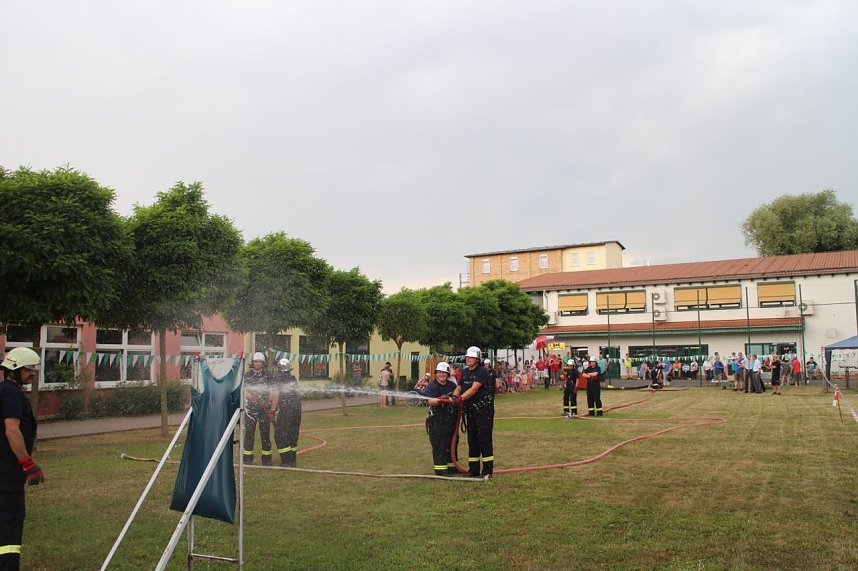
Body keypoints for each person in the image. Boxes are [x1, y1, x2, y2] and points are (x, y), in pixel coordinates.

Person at [1, 347, 45, 571]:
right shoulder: (12, 394)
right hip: (7, 476)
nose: (33, 374)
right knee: (9, 526)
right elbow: (12, 431)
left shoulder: (4, 391)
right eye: (29, 369)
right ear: (15, 370)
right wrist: (28, 464)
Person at [454, 346, 494, 478]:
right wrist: (454, 397)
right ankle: (473, 470)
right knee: (472, 440)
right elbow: (459, 387)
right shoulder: (465, 372)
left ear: (477, 359)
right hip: (471, 410)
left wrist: (460, 399)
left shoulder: (482, 371)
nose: (468, 359)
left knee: (484, 440)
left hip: (484, 411)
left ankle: (487, 471)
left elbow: (474, 388)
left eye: (471, 357)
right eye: (467, 357)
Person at [418, 362, 460, 476]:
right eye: (439, 372)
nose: (442, 375)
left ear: (448, 374)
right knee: (439, 444)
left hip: (450, 419)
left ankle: (452, 467)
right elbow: (429, 401)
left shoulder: (452, 385)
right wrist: (441, 399)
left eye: (444, 373)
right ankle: (441, 469)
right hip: (437, 420)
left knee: (452, 442)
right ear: (436, 373)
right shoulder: (432, 386)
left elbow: (457, 396)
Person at [243, 352, 274, 466]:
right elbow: (244, 390)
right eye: (255, 361)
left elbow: (272, 390)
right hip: (250, 409)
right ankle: (247, 458)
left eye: (259, 362)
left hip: (264, 409)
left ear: (263, 363)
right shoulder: (247, 375)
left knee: (265, 433)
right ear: (252, 362)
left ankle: (267, 459)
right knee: (249, 433)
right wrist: (251, 397)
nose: (257, 364)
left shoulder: (268, 375)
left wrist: (268, 403)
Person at [271, 358, 301, 467]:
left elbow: (275, 395)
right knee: (292, 433)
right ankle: (292, 459)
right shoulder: (293, 379)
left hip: (286, 409)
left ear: (278, 368)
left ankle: (286, 461)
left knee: (280, 434)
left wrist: (272, 410)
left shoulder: (278, 378)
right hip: (297, 409)